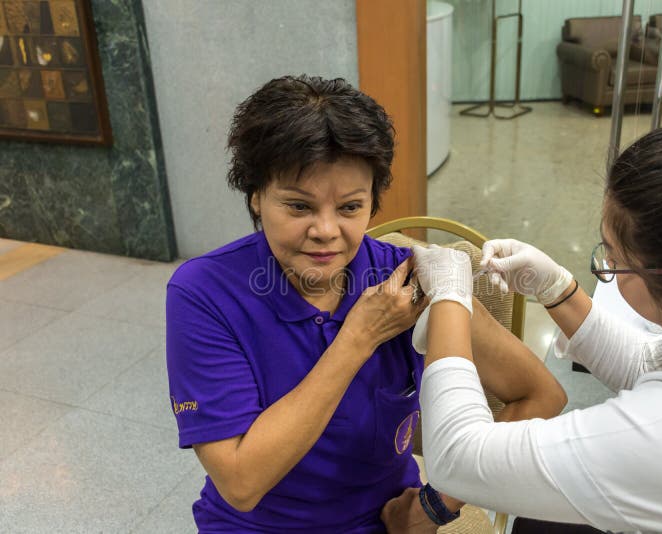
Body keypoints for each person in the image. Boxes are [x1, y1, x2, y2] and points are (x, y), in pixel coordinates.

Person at [165, 74, 566, 533]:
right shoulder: (204, 292)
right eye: (298, 207)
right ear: (256, 198)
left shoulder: (413, 282)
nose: (326, 231)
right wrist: (359, 335)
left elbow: (541, 396)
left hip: (382, 522)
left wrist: (434, 506)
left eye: (350, 207)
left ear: (373, 203)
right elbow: (240, 483)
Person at [411, 117, 662, 533]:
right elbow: (652, 365)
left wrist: (451, 298)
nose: (607, 267)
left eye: (616, 260)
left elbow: (458, 459)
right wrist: (556, 288)